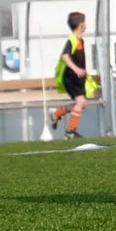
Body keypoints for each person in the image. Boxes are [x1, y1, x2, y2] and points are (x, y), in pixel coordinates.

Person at [50, 12, 90, 140]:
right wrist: (76, 69)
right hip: (71, 76)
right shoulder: (72, 39)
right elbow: (65, 56)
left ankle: (57, 113)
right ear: (81, 25)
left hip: (77, 77)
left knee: (82, 103)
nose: (86, 24)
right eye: (85, 22)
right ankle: (70, 131)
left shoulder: (79, 40)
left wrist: (82, 70)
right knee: (80, 102)